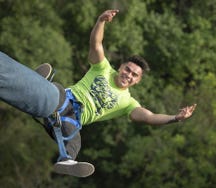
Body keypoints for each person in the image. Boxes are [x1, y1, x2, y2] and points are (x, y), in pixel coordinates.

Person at [0, 10, 196, 167]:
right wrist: (100, 21)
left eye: (134, 75)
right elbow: (96, 43)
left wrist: (175, 118)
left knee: (75, 144)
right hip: (64, 100)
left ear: (137, 82)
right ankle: (38, 83)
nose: (128, 75)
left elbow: (149, 118)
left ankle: (66, 161)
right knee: (54, 92)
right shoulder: (102, 68)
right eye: (127, 69)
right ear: (120, 67)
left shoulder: (128, 103)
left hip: (72, 121)